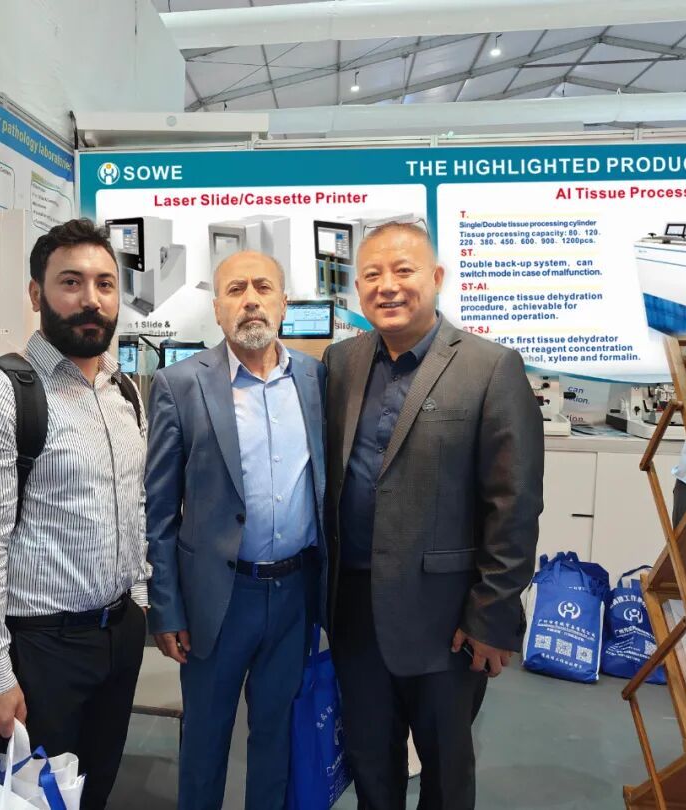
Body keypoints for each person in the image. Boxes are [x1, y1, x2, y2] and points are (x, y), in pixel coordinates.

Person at [323, 221, 544, 810]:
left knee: (446, 774)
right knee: (371, 765)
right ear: (357, 288)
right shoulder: (341, 362)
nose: (388, 286)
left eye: (404, 271)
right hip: (353, 610)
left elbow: (514, 503)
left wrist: (493, 615)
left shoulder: (490, 367)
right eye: (372, 275)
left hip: (447, 618)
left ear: (437, 277)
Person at [0, 218, 148, 810]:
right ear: (36, 294)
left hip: (117, 636)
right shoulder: (2, 391)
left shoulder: (124, 392)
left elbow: (133, 504)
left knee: (93, 793)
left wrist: (138, 597)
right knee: (33, 801)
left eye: (105, 284)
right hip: (41, 650)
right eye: (71, 282)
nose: (92, 299)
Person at [145, 250, 328, 810]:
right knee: (205, 740)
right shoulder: (179, 384)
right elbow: (158, 512)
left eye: (263, 287)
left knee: (277, 737)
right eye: (235, 289)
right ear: (218, 309)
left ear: (283, 303)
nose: (250, 300)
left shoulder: (316, 379)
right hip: (217, 600)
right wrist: (166, 609)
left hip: (294, 594)